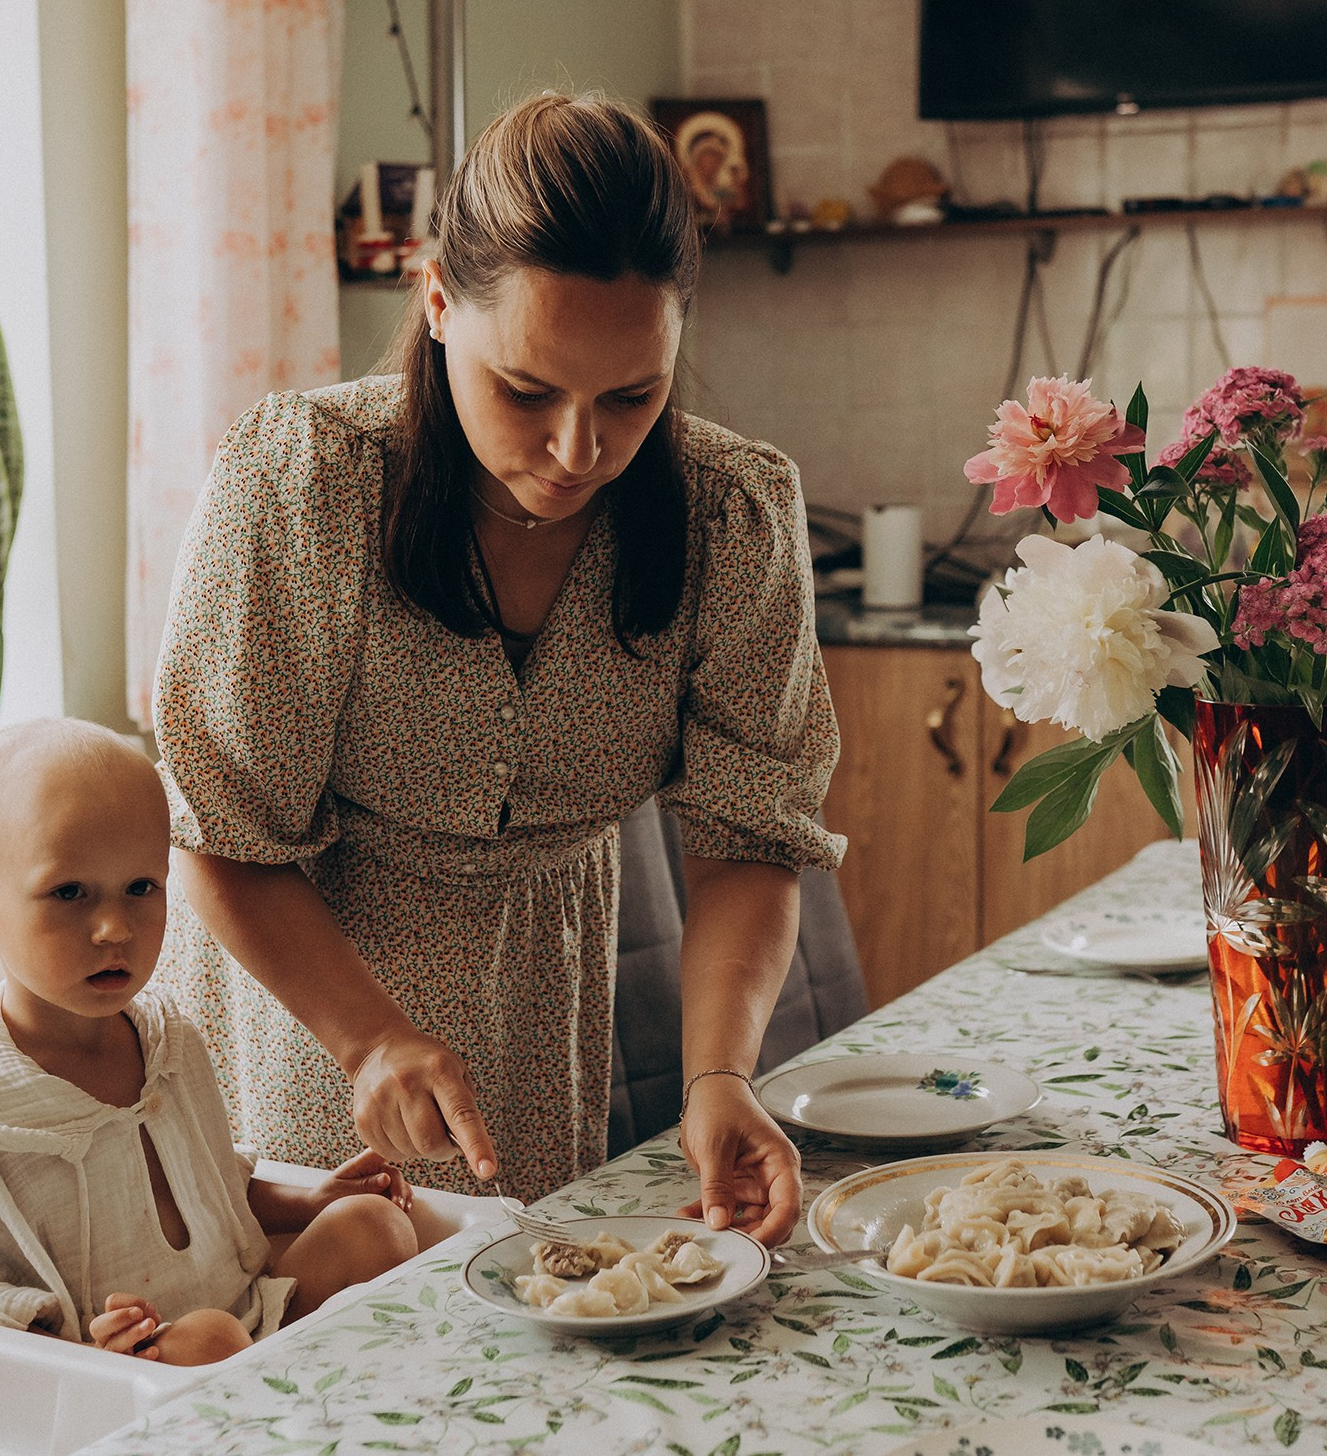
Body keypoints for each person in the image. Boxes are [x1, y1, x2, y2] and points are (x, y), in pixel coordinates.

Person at [152, 91, 843, 1241]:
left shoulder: (733, 514)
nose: (580, 450)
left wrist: (720, 1074)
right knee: (316, 1330)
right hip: (299, 993)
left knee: (502, 1349)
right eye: (526, 390)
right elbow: (218, 834)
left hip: (539, 1002)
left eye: (632, 395)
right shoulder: (303, 486)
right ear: (434, 302)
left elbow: (749, 836)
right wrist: (368, 1034)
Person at [0, 720, 424, 1366]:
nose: (114, 927)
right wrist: (82, 1342)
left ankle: (302, 1404)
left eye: (141, 887)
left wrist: (313, 1201)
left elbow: (211, 1190)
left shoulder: (167, 1040)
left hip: (247, 1316)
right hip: (116, 1367)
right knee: (213, 1338)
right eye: (69, 892)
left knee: (373, 1226)